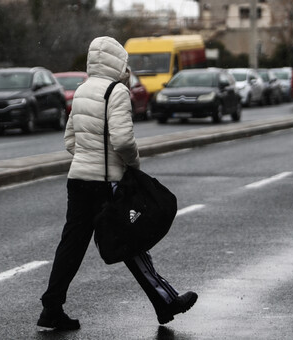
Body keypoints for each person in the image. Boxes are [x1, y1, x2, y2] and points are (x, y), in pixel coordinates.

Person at [37, 36, 198, 330]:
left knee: (71, 246)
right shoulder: (117, 92)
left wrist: (88, 155)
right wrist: (133, 165)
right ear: (118, 61)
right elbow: (123, 141)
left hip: (78, 180)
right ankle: (166, 300)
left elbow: (69, 140)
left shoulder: (83, 91)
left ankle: (52, 308)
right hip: (106, 182)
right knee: (130, 241)